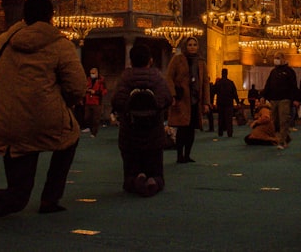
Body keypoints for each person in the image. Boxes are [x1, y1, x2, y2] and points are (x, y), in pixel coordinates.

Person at [0, 0, 86, 226]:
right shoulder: (60, 43)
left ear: (24, 16)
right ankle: (50, 199)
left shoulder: (2, 41)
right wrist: (63, 102)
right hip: (46, 119)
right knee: (71, 137)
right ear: (51, 16)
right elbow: (77, 87)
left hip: (5, 120)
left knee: (19, 191)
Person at [111, 43, 172, 197]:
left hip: (130, 131)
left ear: (131, 61)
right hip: (153, 131)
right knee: (155, 165)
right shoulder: (157, 77)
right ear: (150, 60)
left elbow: (116, 101)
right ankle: (153, 179)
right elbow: (167, 99)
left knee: (131, 166)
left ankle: (136, 178)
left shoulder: (125, 78)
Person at [165, 36, 209, 163]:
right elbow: (169, 77)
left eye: (194, 45)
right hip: (181, 99)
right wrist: (173, 95)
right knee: (182, 129)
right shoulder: (177, 59)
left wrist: (206, 102)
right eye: (189, 45)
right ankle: (180, 155)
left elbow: (205, 83)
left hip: (195, 100)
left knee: (191, 129)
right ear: (186, 46)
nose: (192, 47)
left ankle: (188, 155)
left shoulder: (201, 62)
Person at [262, 51, 299, 149]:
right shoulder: (273, 72)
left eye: (278, 58)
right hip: (274, 100)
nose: (276, 60)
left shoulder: (289, 71)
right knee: (275, 121)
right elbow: (268, 85)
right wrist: (263, 96)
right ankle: (285, 138)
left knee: (283, 120)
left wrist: (295, 99)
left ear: (283, 59)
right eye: (275, 58)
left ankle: (281, 142)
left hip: (285, 99)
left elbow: (293, 86)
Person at [212, 68, 240, 138]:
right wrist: (238, 102)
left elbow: (213, 91)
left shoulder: (218, 83)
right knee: (229, 119)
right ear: (227, 73)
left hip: (220, 103)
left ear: (222, 73)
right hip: (229, 104)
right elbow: (235, 93)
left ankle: (220, 133)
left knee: (221, 119)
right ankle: (229, 133)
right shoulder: (231, 83)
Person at [83, 66, 108, 136]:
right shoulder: (88, 79)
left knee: (95, 118)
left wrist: (96, 92)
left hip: (96, 102)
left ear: (97, 73)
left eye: (93, 73)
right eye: (91, 73)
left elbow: (104, 91)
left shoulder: (101, 81)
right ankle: (89, 128)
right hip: (88, 101)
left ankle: (94, 133)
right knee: (87, 117)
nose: (92, 74)